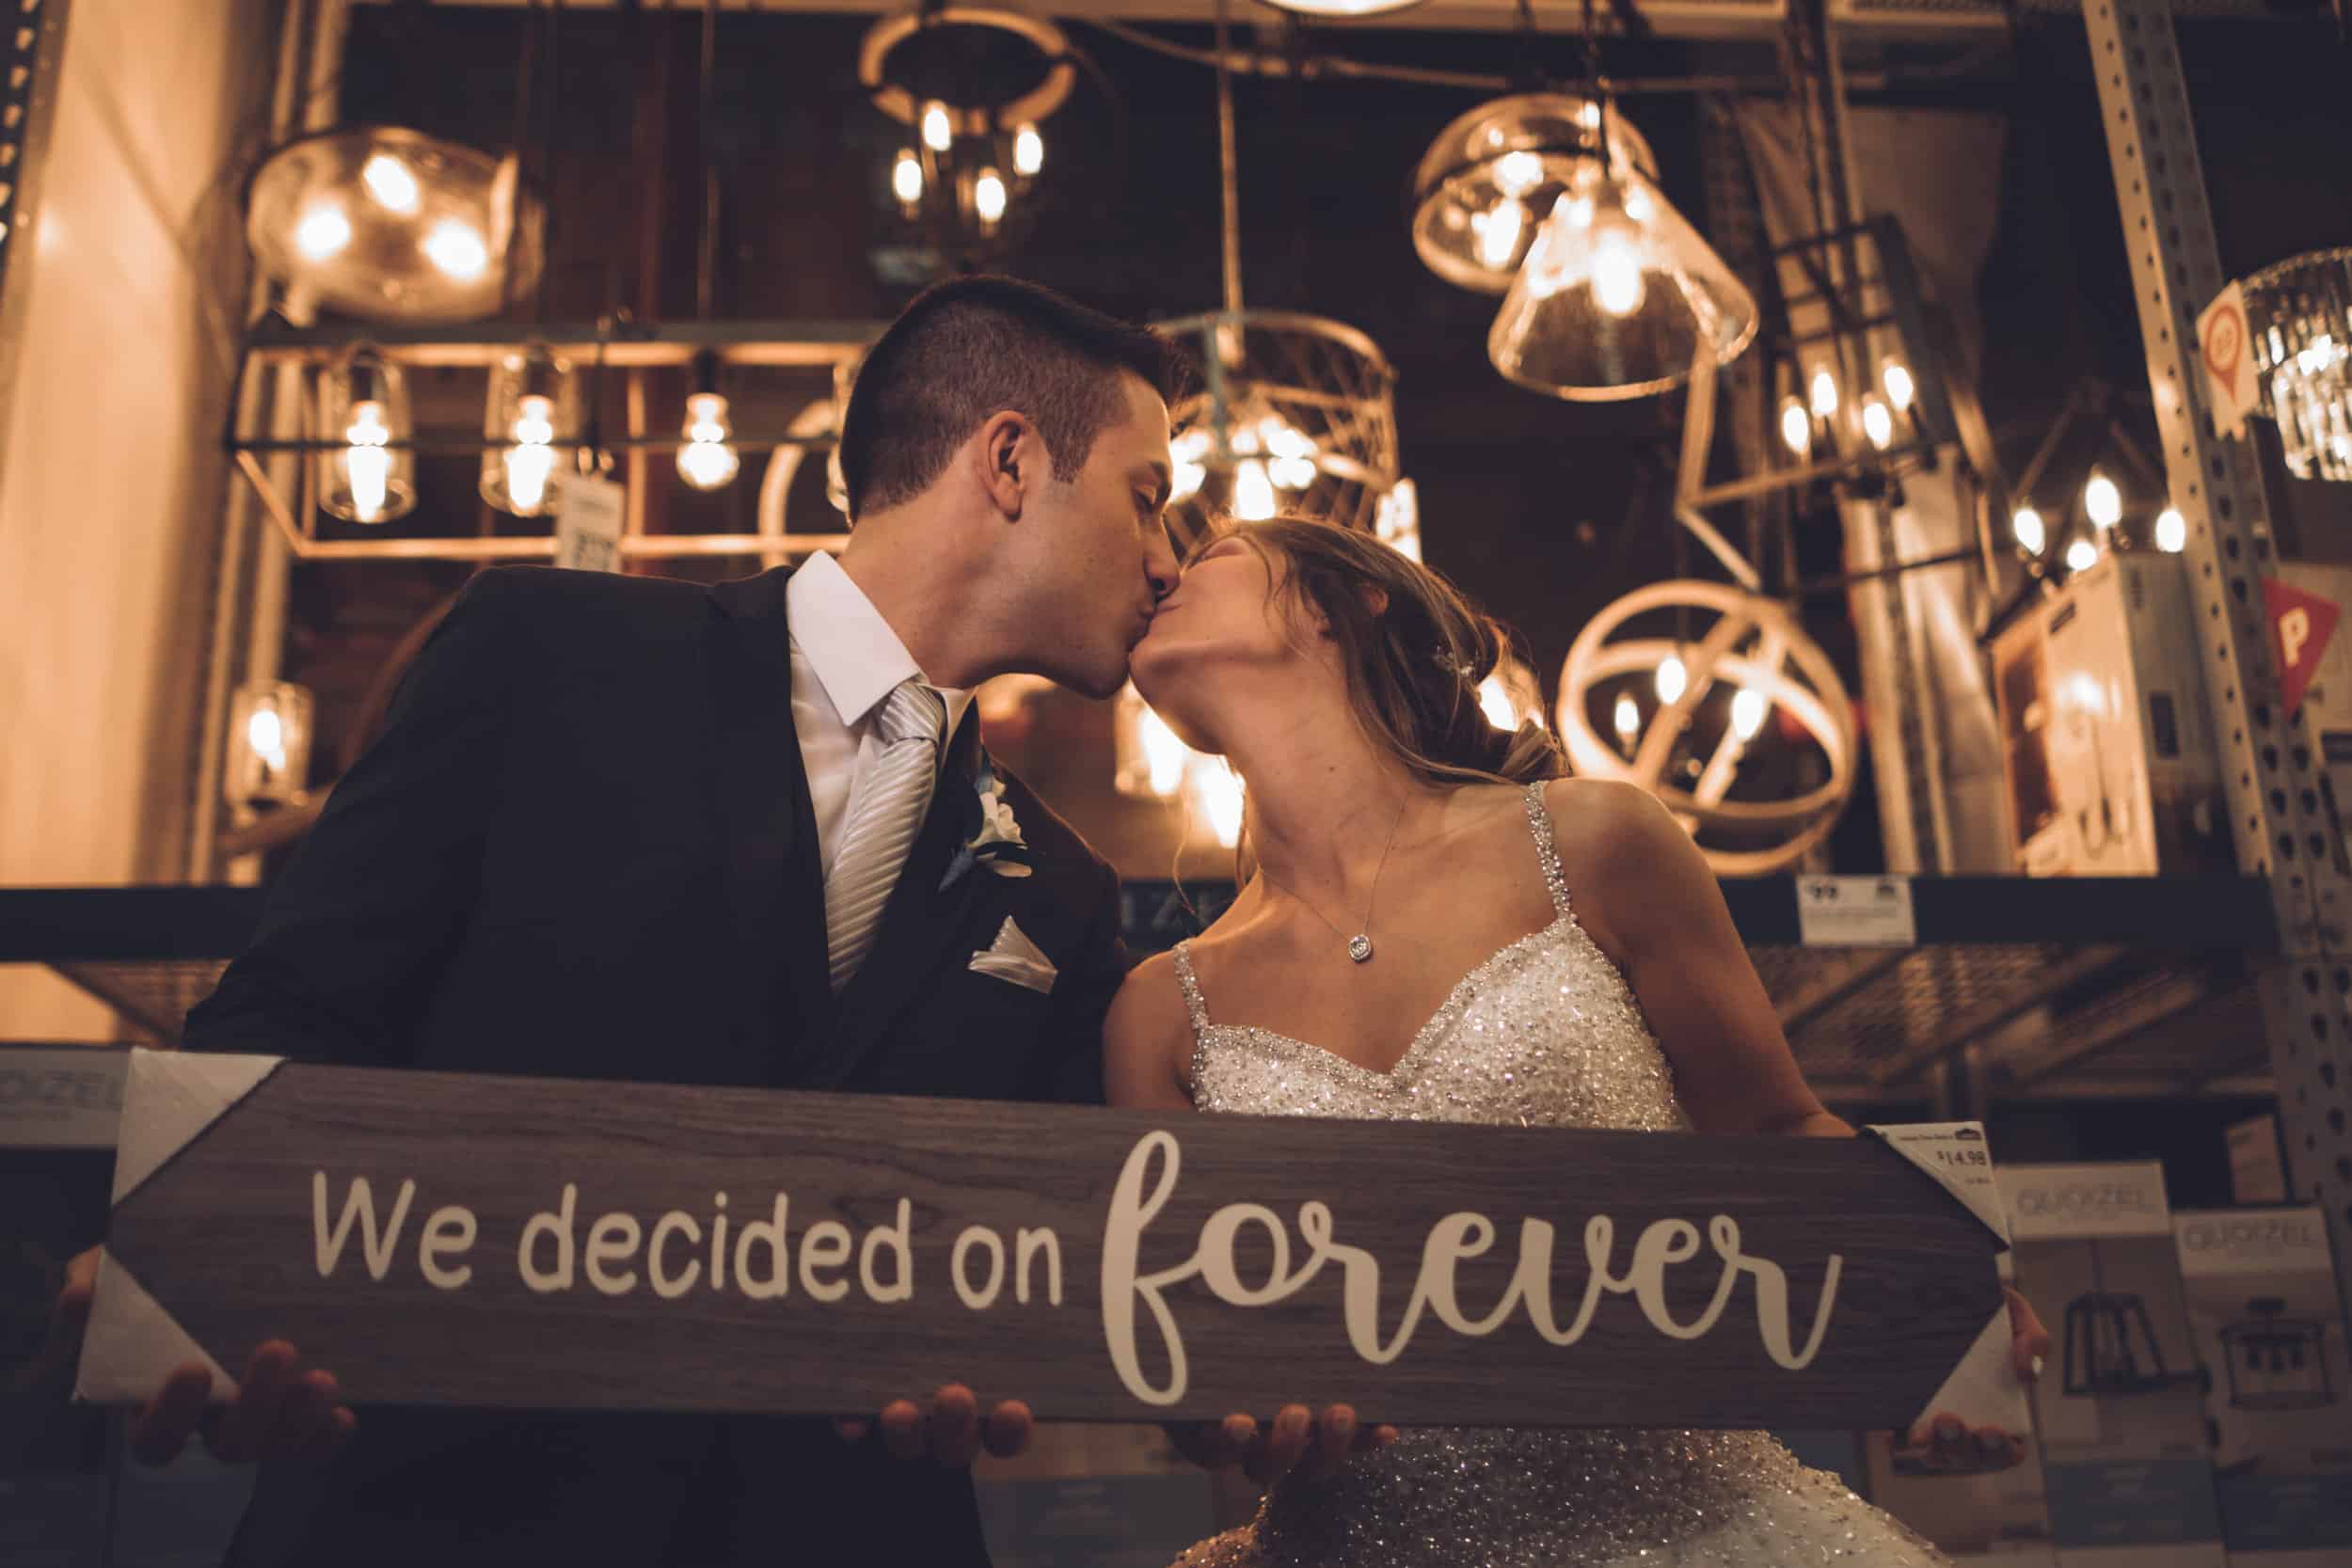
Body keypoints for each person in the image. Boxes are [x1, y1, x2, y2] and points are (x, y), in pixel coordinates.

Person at [44, 275, 1319, 1567]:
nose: (1165, 557)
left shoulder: (1061, 889)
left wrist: (1237, 1378)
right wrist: (182, 1261)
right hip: (443, 1512)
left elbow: (1083, 1226)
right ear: (1009, 458)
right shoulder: (545, 650)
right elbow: (298, 1002)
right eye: (1147, 495)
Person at [1104, 517, 2054, 1568]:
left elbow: (1777, 1125)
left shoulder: (1594, 840)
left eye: (1208, 558)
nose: (1159, 575)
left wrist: (1931, 1296)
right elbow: (1189, 1375)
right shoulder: (1157, 1011)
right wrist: (1231, 1417)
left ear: (1344, 601)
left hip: (1697, 1532)